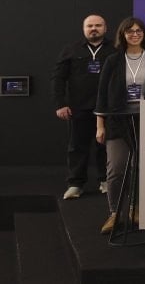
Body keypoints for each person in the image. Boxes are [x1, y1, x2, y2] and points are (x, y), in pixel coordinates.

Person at [94, 17, 145, 234]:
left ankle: (136, 209)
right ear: (123, 34)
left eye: (138, 30)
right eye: (130, 31)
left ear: (144, 33)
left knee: (139, 167)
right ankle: (115, 212)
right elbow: (102, 95)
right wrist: (100, 125)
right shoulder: (113, 60)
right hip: (118, 120)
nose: (134, 34)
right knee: (116, 168)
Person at [54, 14, 111, 200]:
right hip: (78, 107)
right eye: (90, 26)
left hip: (108, 107)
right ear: (84, 29)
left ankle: (106, 181)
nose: (94, 29)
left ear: (105, 28)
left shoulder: (115, 49)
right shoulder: (71, 50)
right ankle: (76, 184)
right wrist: (61, 103)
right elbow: (59, 78)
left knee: (106, 146)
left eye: (98, 25)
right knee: (77, 147)